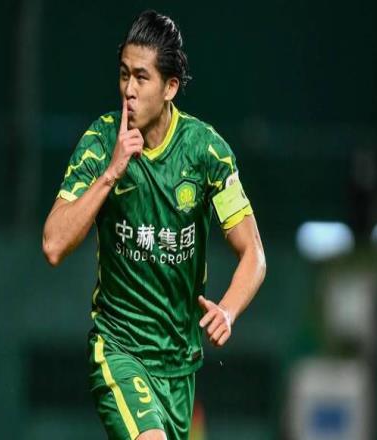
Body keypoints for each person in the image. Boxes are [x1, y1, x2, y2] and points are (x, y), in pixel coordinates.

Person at [42, 9, 266, 440]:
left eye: (141, 78)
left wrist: (228, 310)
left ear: (170, 87)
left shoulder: (206, 153)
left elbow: (254, 253)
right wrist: (111, 173)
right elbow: (53, 244)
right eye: (124, 75)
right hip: (119, 350)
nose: (128, 89)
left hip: (179, 368)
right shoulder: (101, 142)